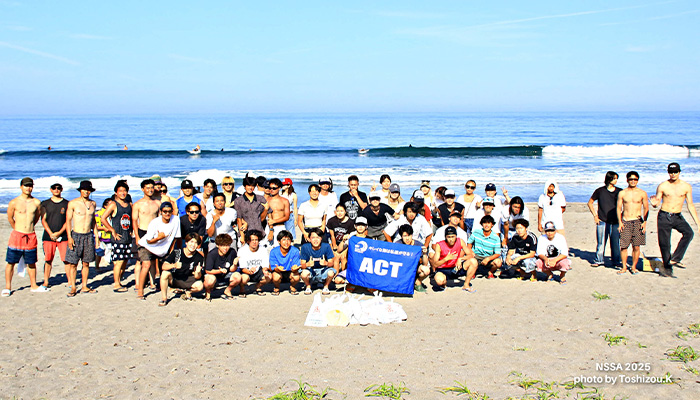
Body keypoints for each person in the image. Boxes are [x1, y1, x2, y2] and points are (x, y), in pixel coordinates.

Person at [650, 162, 699, 278]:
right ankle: (667, 269)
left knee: (689, 233)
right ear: (668, 173)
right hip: (664, 216)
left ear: (679, 172)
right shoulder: (663, 186)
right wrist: (654, 204)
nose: (673, 174)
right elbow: (657, 201)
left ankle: (676, 258)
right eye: (671, 172)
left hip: (677, 216)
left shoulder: (686, 186)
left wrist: (698, 223)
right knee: (665, 244)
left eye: (675, 172)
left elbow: (690, 205)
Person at [3, 177, 45, 296]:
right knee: (11, 262)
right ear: (21, 187)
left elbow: (36, 217)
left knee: (31, 262)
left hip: (31, 236)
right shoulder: (14, 202)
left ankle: (33, 285)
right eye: (26, 186)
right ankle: (8, 287)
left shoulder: (36, 202)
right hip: (17, 235)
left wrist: (29, 228)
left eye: (30, 186)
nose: (28, 188)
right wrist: (18, 229)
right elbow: (10, 218)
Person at [137, 202, 181, 299]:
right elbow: (148, 240)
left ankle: (169, 286)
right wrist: (158, 238)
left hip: (162, 249)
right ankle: (140, 291)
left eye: (169, 211)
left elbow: (176, 238)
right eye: (165, 211)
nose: (167, 213)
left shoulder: (176, 220)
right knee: (146, 265)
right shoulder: (155, 222)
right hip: (147, 246)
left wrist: (172, 251)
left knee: (167, 267)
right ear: (161, 212)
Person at [64, 180, 98, 297]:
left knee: (86, 263)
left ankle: (84, 286)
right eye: (84, 189)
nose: (86, 192)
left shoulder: (93, 204)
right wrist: (69, 237)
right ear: (80, 190)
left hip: (88, 235)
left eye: (88, 190)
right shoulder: (73, 203)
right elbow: (68, 221)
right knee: (73, 263)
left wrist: (96, 237)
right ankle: (73, 287)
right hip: (76, 235)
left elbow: (93, 221)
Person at [101, 180, 134, 292]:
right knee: (118, 262)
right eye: (120, 191)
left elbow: (132, 219)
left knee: (125, 261)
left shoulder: (129, 205)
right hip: (118, 238)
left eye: (124, 191)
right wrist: (112, 231)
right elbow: (103, 218)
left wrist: (132, 230)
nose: (122, 193)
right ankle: (116, 284)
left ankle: (119, 281)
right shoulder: (114, 204)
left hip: (127, 237)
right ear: (116, 192)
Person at [616, 171, 649, 275]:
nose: (633, 181)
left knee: (636, 246)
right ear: (627, 180)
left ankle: (634, 267)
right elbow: (618, 208)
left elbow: (646, 208)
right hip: (626, 221)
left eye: (635, 179)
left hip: (638, 221)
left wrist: (645, 222)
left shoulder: (642, 193)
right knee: (624, 246)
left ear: (638, 180)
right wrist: (620, 222)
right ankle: (624, 267)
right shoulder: (622, 193)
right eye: (631, 179)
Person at [587, 171, 622, 268]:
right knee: (601, 242)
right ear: (609, 179)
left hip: (615, 221)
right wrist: (595, 216)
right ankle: (599, 260)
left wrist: (623, 215)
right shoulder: (600, 191)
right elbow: (590, 203)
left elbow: (626, 203)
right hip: (602, 220)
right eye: (614, 178)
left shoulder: (619, 191)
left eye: (616, 178)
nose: (616, 180)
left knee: (615, 243)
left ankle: (616, 261)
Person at [160, 233, 205, 305]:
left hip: (188, 280)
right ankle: (164, 298)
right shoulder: (177, 252)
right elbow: (164, 266)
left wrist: (198, 272)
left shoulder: (199, 257)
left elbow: (197, 277)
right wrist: (174, 265)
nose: (193, 245)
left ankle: (188, 292)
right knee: (165, 273)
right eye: (191, 242)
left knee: (200, 285)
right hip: (175, 279)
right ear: (186, 243)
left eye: (196, 243)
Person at [133, 179, 161, 292]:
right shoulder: (137, 204)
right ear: (142, 189)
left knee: (153, 260)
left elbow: (160, 219)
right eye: (147, 188)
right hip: (142, 232)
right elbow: (134, 221)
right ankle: (137, 283)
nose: (150, 190)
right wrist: (137, 236)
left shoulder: (157, 203)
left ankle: (152, 282)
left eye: (152, 187)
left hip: (153, 233)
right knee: (140, 260)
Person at [40, 182, 69, 289]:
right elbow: (43, 220)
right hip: (48, 237)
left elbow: (68, 221)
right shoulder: (45, 203)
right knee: (48, 259)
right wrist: (51, 233)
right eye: (54, 188)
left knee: (66, 260)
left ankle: (70, 281)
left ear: (61, 189)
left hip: (63, 236)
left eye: (58, 188)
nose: (56, 190)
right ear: (50, 189)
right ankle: (46, 281)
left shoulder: (67, 203)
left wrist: (59, 233)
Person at [430, 226, 470, 292]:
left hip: (456, 267)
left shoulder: (460, 241)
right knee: (439, 280)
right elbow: (435, 264)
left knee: (473, 262)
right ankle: (444, 284)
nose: (451, 239)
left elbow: (471, 255)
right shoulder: (439, 245)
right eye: (449, 237)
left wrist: (460, 259)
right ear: (445, 237)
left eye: (453, 237)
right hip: (443, 269)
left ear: (456, 236)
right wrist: (446, 259)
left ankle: (466, 284)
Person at [203, 234, 240, 301]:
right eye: (223, 245)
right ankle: (208, 293)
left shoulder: (232, 252)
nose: (225, 248)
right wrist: (219, 271)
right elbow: (208, 270)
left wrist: (234, 265)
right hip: (214, 275)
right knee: (209, 280)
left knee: (237, 276)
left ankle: (228, 290)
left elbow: (232, 269)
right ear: (217, 245)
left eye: (227, 245)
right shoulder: (212, 254)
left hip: (226, 275)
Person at [235, 230, 272, 297]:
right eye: (252, 240)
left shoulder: (263, 249)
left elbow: (265, 264)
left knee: (269, 276)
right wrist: (249, 272)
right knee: (244, 278)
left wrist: (265, 271)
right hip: (247, 271)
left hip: (258, 271)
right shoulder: (242, 250)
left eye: (256, 240)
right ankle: (242, 290)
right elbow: (242, 268)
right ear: (248, 241)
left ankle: (257, 287)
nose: (254, 242)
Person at [395, 224, 431, 293]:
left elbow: (425, 263)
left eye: (409, 235)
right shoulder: (397, 245)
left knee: (426, 270)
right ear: (401, 236)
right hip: (402, 269)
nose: (407, 238)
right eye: (405, 236)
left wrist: (424, 254)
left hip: (415, 269)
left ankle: (417, 282)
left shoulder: (418, 245)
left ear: (412, 235)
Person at [465, 215, 502, 279]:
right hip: (476, 255)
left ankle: (490, 272)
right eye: (485, 223)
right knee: (469, 257)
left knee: (498, 262)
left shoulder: (496, 238)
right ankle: (472, 271)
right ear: (482, 224)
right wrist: (470, 251)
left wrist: (488, 259)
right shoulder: (476, 232)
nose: (486, 225)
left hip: (488, 256)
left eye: (489, 223)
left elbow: (497, 253)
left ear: (492, 225)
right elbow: (469, 243)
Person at [300, 228, 336, 295]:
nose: (316, 240)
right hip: (311, 271)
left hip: (323, 271)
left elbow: (331, 263)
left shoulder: (326, 246)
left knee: (331, 272)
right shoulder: (305, 247)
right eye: (313, 237)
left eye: (318, 237)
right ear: (309, 239)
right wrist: (307, 264)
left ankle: (326, 286)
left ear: (321, 238)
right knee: (303, 273)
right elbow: (301, 265)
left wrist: (326, 263)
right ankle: (308, 286)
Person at [234, 176, 268, 245]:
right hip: (246, 233)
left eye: (252, 186)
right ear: (244, 186)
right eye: (248, 185)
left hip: (259, 231)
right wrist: (242, 235)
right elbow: (239, 218)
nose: (250, 188)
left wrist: (266, 209)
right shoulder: (238, 201)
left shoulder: (260, 199)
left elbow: (262, 219)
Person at [269, 230, 302, 295]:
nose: (286, 242)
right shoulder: (273, 251)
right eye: (284, 239)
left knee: (296, 277)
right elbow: (273, 267)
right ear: (279, 241)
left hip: (290, 271)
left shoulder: (295, 251)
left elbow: (296, 265)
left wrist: (295, 269)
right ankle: (276, 287)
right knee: (276, 276)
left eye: (288, 239)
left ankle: (292, 286)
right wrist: (277, 269)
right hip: (279, 272)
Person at [265, 178, 290, 246]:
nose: (271, 190)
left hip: (280, 226)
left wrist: (274, 221)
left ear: (279, 188)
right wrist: (271, 229)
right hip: (269, 227)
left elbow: (287, 217)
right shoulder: (267, 201)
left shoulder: (285, 201)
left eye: (274, 188)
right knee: (268, 248)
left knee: (281, 247)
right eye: (270, 188)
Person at [94, 198, 113, 271]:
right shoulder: (98, 214)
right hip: (100, 235)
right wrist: (104, 228)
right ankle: (97, 266)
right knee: (100, 251)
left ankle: (107, 262)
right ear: (105, 206)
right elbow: (95, 226)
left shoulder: (113, 213)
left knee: (110, 249)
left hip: (110, 236)